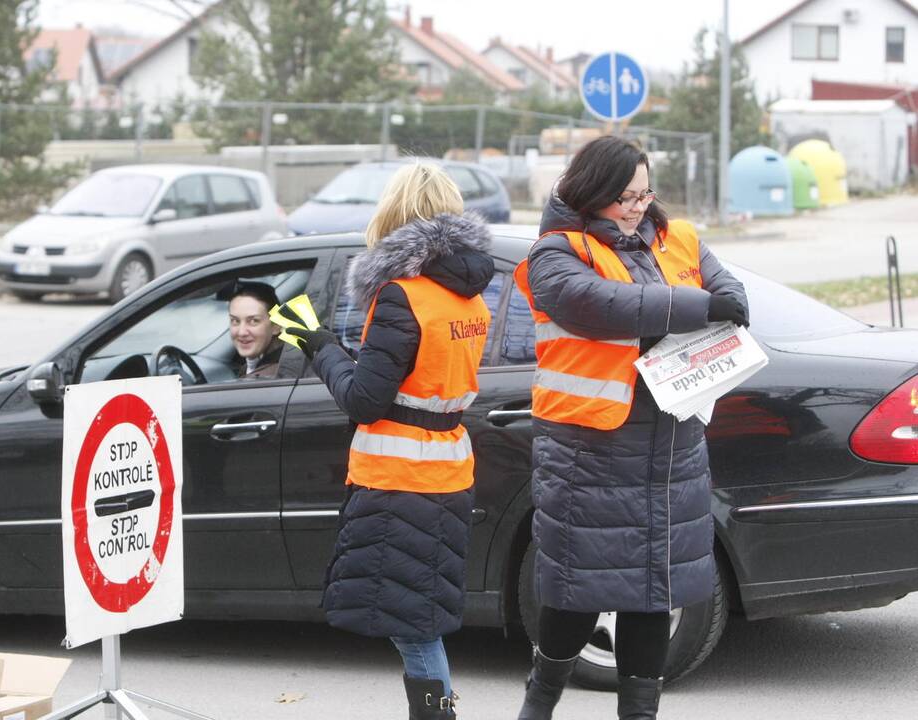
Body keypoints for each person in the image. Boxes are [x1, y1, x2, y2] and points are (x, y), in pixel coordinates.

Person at [512, 136, 748, 720]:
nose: (638, 206)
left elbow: (732, 295)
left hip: (672, 448)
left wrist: (712, 305)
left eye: (645, 194)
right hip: (592, 454)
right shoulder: (556, 253)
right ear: (592, 192)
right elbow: (601, 304)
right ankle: (538, 704)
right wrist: (696, 307)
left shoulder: (680, 238)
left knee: (655, 594)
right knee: (575, 594)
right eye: (625, 197)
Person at [286, 162, 494, 719]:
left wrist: (319, 345)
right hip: (447, 470)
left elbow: (365, 401)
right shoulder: (469, 299)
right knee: (418, 616)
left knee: (413, 625)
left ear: (395, 218)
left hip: (399, 479)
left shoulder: (404, 296)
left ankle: (437, 714)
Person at [227, 281, 284, 379]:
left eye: (253, 321)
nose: (242, 332)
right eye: (235, 321)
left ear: (276, 325)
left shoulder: (273, 377)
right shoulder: (254, 367)